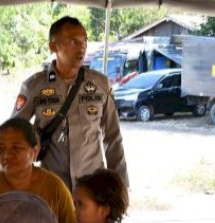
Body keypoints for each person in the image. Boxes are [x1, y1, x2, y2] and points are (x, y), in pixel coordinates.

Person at [11, 16, 128, 191]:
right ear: (53, 46)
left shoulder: (100, 84)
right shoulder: (34, 86)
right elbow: (12, 135)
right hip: (51, 187)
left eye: (84, 41)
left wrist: (121, 186)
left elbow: (113, 138)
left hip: (93, 188)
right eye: (73, 41)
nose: (82, 47)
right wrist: (10, 184)